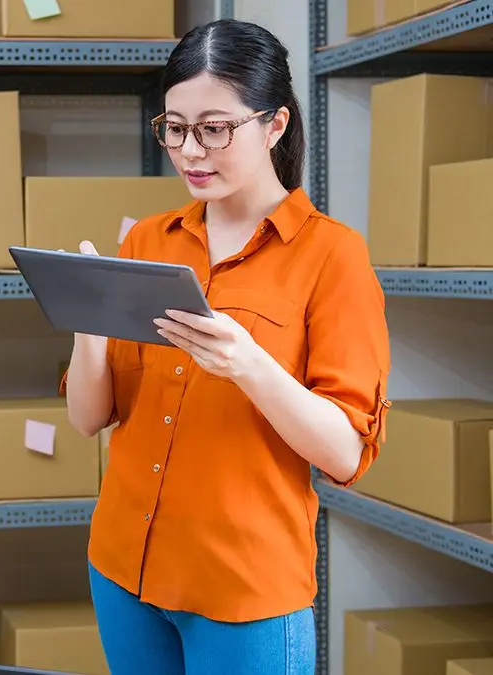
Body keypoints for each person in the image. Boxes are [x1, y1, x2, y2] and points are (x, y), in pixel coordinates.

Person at [61, 19, 390, 675]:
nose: (190, 150)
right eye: (175, 127)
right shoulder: (149, 241)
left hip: (244, 590)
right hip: (124, 568)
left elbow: (346, 452)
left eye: (215, 128)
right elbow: (88, 417)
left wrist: (248, 364)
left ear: (274, 125)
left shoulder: (333, 256)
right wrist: (86, 321)